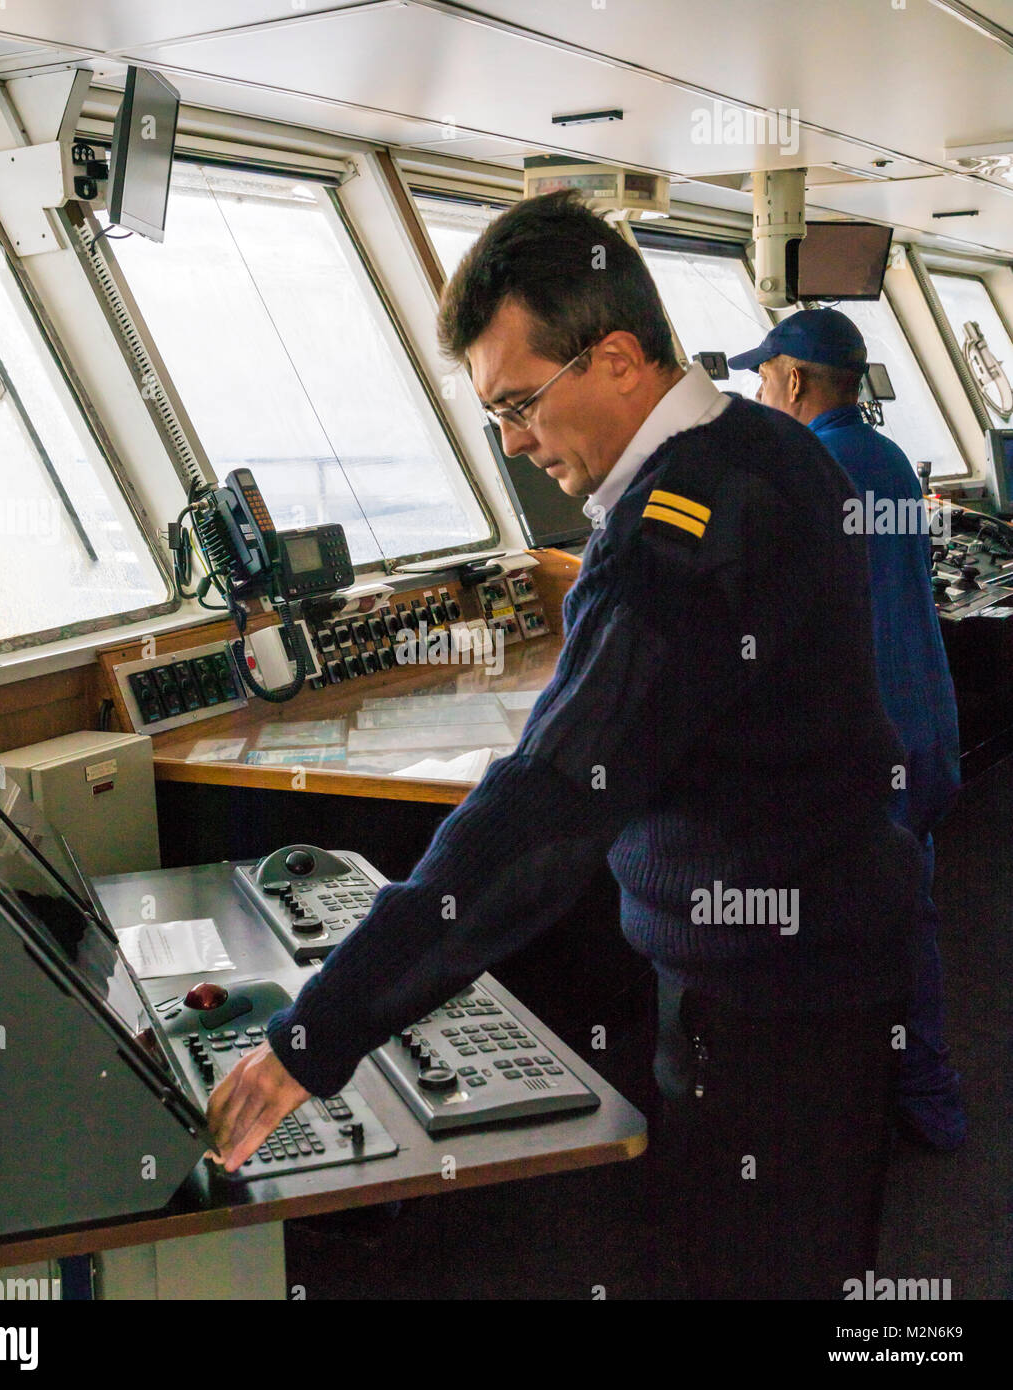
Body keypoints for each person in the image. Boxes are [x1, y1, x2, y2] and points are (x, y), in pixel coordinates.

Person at [208, 191, 923, 1298]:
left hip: (769, 998)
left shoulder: (663, 541)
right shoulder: (772, 445)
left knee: (754, 1263)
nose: (514, 444)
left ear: (621, 359)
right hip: (829, 948)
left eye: (521, 404)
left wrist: (315, 1035)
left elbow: (543, 810)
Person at [729, 309, 964, 1152]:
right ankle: (926, 1094)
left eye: (763, 377)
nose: (759, 392)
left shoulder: (810, 465)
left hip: (863, 746)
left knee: (824, 927)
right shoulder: (888, 458)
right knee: (907, 916)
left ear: (793, 379)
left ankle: (831, 1119)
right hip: (924, 727)